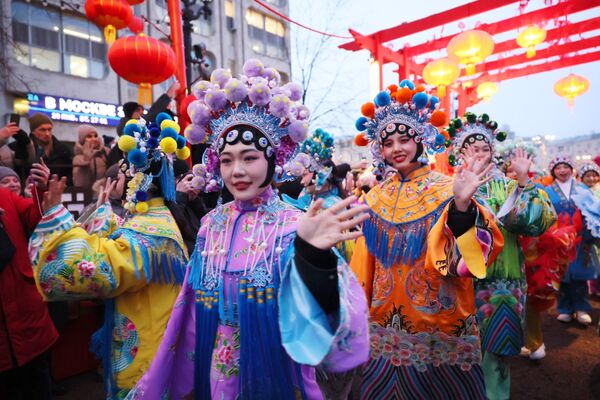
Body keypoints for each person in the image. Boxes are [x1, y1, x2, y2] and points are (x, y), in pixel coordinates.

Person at [126, 59, 370, 399]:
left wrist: (312, 258)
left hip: (277, 370)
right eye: (227, 160)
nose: (237, 170)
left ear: (272, 159)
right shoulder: (212, 223)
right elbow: (189, 312)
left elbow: (339, 320)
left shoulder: (295, 224)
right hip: (217, 370)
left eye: (250, 157)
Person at [350, 80, 504, 399]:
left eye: (404, 138)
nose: (397, 148)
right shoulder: (374, 198)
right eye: (388, 141)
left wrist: (461, 209)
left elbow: (475, 261)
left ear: (421, 140)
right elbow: (362, 269)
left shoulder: (449, 189)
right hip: (383, 326)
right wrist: (356, 316)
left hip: (439, 321)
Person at [28, 114, 191, 399]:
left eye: (125, 173)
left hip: (149, 357)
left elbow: (92, 270)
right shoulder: (155, 220)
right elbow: (114, 238)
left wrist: (56, 214)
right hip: (156, 341)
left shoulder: (150, 233)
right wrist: (104, 207)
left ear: (136, 179)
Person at [446, 121, 556, 400]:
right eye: (471, 149)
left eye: (484, 148)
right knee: (456, 357)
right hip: (458, 283)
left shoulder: (508, 186)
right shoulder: (445, 187)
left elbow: (538, 222)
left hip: (502, 285)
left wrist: (523, 181)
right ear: (459, 153)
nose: (479, 154)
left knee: (496, 353)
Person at [0, 161, 57, 400]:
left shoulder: (5, 197)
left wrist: (42, 190)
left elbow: (35, 218)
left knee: (39, 383)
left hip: (26, 312)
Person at [544, 155, 599, 325]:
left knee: (580, 274)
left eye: (565, 167)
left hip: (580, 238)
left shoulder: (582, 189)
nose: (562, 171)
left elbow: (592, 211)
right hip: (557, 239)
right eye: (558, 167)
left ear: (571, 169)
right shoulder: (547, 191)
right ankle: (565, 308)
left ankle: (581, 308)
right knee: (562, 274)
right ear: (553, 171)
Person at [109, 82, 182, 167]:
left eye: (142, 111)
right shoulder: (130, 127)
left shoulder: (126, 126)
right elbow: (153, 113)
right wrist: (170, 92)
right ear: (132, 112)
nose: (142, 113)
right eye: (138, 110)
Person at [28, 113, 73, 184]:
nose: (47, 134)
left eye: (49, 129)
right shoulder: (24, 148)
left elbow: (69, 175)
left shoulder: (63, 150)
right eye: (42, 130)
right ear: (33, 131)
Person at [578, 162, 600, 297]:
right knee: (590, 260)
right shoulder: (579, 192)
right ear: (582, 178)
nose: (591, 179)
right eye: (588, 176)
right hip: (585, 233)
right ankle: (593, 288)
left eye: (594, 175)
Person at [72, 124, 109, 190]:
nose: (93, 139)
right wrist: (86, 159)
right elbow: (79, 183)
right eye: (89, 136)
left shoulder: (106, 152)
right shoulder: (78, 158)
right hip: (88, 195)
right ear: (83, 139)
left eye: (95, 136)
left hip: (105, 192)